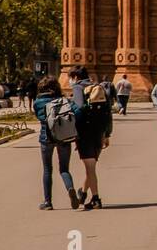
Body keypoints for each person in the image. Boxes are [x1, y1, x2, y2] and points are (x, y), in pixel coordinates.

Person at [33, 76, 80, 211]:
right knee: (64, 169)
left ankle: (48, 202)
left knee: (47, 170)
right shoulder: (64, 101)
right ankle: (70, 188)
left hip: (46, 138)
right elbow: (77, 111)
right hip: (64, 137)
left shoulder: (38, 103)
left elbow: (40, 117)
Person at [75, 83, 112, 210]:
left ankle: (96, 198)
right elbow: (108, 124)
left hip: (85, 141)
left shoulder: (84, 109)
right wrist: (106, 136)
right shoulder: (106, 108)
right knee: (90, 170)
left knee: (90, 170)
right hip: (98, 141)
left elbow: (76, 126)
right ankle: (83, 194)